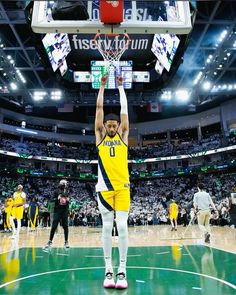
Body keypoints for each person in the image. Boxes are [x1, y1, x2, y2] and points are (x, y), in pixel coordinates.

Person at [95, 75, 130, 289]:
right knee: (107, 227)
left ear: (117, 125)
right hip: (104, 189)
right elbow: (99, 107)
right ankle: (108, 270)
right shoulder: (99, 136)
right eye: (108, 125)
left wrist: (120, 88)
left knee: (123, 226)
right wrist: (101, 86)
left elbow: (124, 110)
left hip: (123, 187)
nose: (111, 127)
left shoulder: (123, 135)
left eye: (113, 124)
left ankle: (122, 271)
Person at [43, 179, 70, 251]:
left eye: (66, 184)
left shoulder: (67, 192)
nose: (65, 185)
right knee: (54, 226)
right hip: (57, 211)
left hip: (64, 211)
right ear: (61, 184)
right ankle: (50, 241)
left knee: (65, 227)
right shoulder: (56, 191)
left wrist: (68, 200)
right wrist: (57, 199)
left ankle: (66, 242)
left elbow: (68, 202)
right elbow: (52, 199)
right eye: (64, 184)